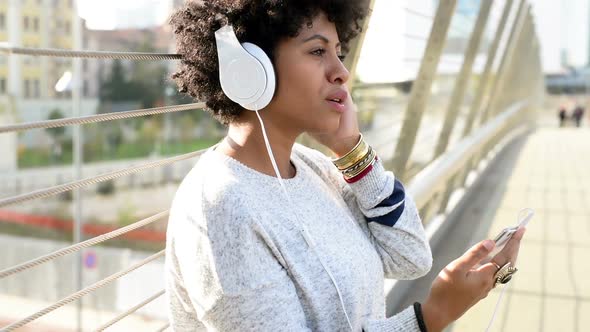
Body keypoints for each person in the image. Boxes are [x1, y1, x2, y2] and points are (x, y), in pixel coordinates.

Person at [164, 1, 525, 331]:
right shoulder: (220, 207)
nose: (341, 72)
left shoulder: (315, 168)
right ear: (249, 71)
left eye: (338, 52)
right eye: (318, 51)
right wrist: (432, 317)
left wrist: (352, 152)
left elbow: (411, 256)